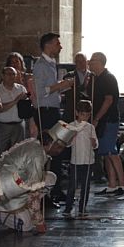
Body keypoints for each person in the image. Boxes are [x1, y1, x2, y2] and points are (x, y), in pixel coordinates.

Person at [32, 33, 74, 183]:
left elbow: (50, 89)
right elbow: (40, 91)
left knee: (56, 148)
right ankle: (46, 189)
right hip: (45, 112)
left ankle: (54, 187)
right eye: (57, 43)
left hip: (53, 109)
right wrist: (61, 85)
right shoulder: (41, 65)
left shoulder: (51, 63)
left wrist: (62, 88)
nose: (60, 46)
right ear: (48, 45)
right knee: (48, 149)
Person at [89, 52, 124, 196]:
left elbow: (108, 100)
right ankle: (112, 185)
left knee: (111, 151)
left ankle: (122, 184)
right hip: (103, 120)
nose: (90, 63)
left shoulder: (108, 78)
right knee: (106, 152)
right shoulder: (96, 78)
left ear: (100, 62)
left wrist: (97, 118)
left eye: (92, 60)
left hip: (108, 119)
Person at [63, 100, 99, 218]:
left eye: (88, 115)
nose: (85, 117)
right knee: (72, 185)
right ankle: (68, 208)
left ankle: (82, 207)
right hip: (75, 161)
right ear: (77, 113)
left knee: (86, 185)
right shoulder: (71, 125)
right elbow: (67, 144)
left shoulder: (91, 127)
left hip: (88, 161)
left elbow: (96, 144)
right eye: (83, 114)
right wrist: (72, 136)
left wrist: (94, 142)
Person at [0, 65, 30, 153]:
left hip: (19, 125)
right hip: (3, 126)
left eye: (13, 74)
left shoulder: (21, 88)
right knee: (0, 152)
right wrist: (16, 100)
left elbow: (27, 107)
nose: (11, 76)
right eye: (8, 74)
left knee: (18, 153)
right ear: (3, 76)